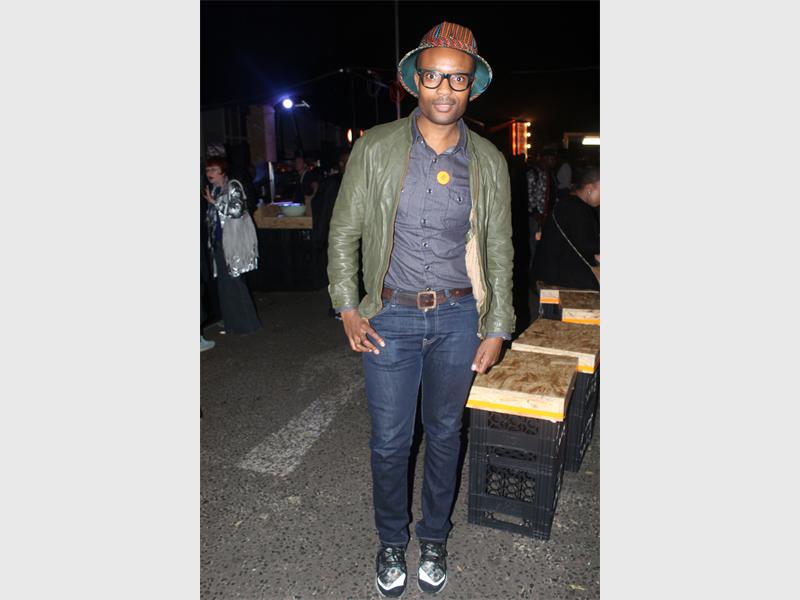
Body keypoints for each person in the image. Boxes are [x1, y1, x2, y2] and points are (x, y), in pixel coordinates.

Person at [327, 21, 514, 597]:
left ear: (471, 87)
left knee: (445, 433)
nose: (444, 89)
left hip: (459, 318)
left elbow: (501, 246)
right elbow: (344, 231)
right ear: (415, 81)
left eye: (457, 79)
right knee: (389, 441)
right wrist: (347, 307)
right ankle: (391, 541)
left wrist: (498, 325)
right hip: (391, 316)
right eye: (433, 76)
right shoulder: (376, 147)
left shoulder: (489, 160)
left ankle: (433, 537)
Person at [203, 157, 261, 335]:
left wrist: (214, 202)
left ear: (222, 171)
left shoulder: (232, 186)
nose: (210, 173)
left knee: (236, 282)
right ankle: (231, 322)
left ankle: (248, 324)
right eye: (208, 170)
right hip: (219, 242)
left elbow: (237, 211)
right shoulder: (214, 189)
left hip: (233, 242)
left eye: (213, 169)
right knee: (224, 284)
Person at [532, 164, 600, 291]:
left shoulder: (570, 202)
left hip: (551, 268)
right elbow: (586, 245)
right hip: (554, 272)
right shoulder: (576, 208)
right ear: (589, 188)